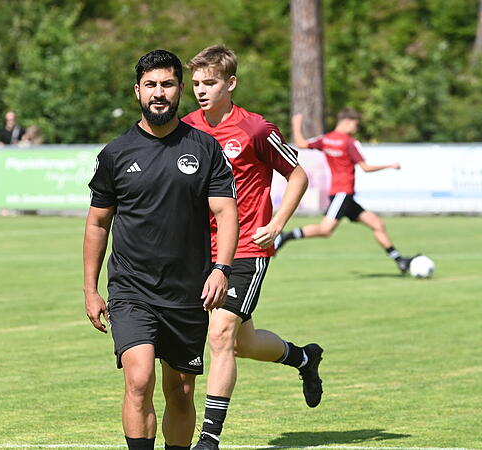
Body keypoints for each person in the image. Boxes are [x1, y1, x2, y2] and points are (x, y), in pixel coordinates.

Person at [83, 49, 239, 450]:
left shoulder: (205, 148)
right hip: (131, 288)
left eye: (167, 84)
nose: (158, 93)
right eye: (150, 85)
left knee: (181, 390)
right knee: (138, 379)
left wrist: (221, 269)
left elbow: (225, 213)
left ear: (179, 90)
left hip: (188, 291)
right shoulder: (116, 154)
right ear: (137, 91)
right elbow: (98, 222)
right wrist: (90, 288)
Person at [181, 45, 323, 450]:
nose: (201, 91)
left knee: (221, 334)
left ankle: (208, 439)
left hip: (245, 248)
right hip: (197, 252)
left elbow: (297, 174)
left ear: (231, 83)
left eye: (210, 83)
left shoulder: (255, 130)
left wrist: (277, 223)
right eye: (196, 84)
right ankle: (303, 358)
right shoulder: (186, 128)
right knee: (242, 343)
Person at [274, 108, 416, 273]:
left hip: (343, 195)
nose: (356, 129)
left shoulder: (326, 139)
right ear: (347, 122)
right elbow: (366, 167)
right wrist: (390, 165)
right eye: (356, 125)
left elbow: (301, 144)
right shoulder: (349, 142)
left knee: (377, 224)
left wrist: (296, 124)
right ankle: (285, 236)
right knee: (325, 230)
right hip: (342, 193)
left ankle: (400, 261)